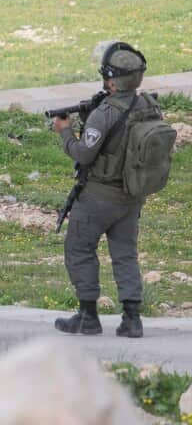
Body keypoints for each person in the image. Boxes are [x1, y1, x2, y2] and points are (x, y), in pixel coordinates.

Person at [53, 41, 162, 338]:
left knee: (79, 249)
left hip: (98, 196)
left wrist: (65, 132)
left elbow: (84, 154)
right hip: (132, 194)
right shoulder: (149, 107)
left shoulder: (105, 113)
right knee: (125, 255)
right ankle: (132, 319)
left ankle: (88, 316)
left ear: (112, 80)